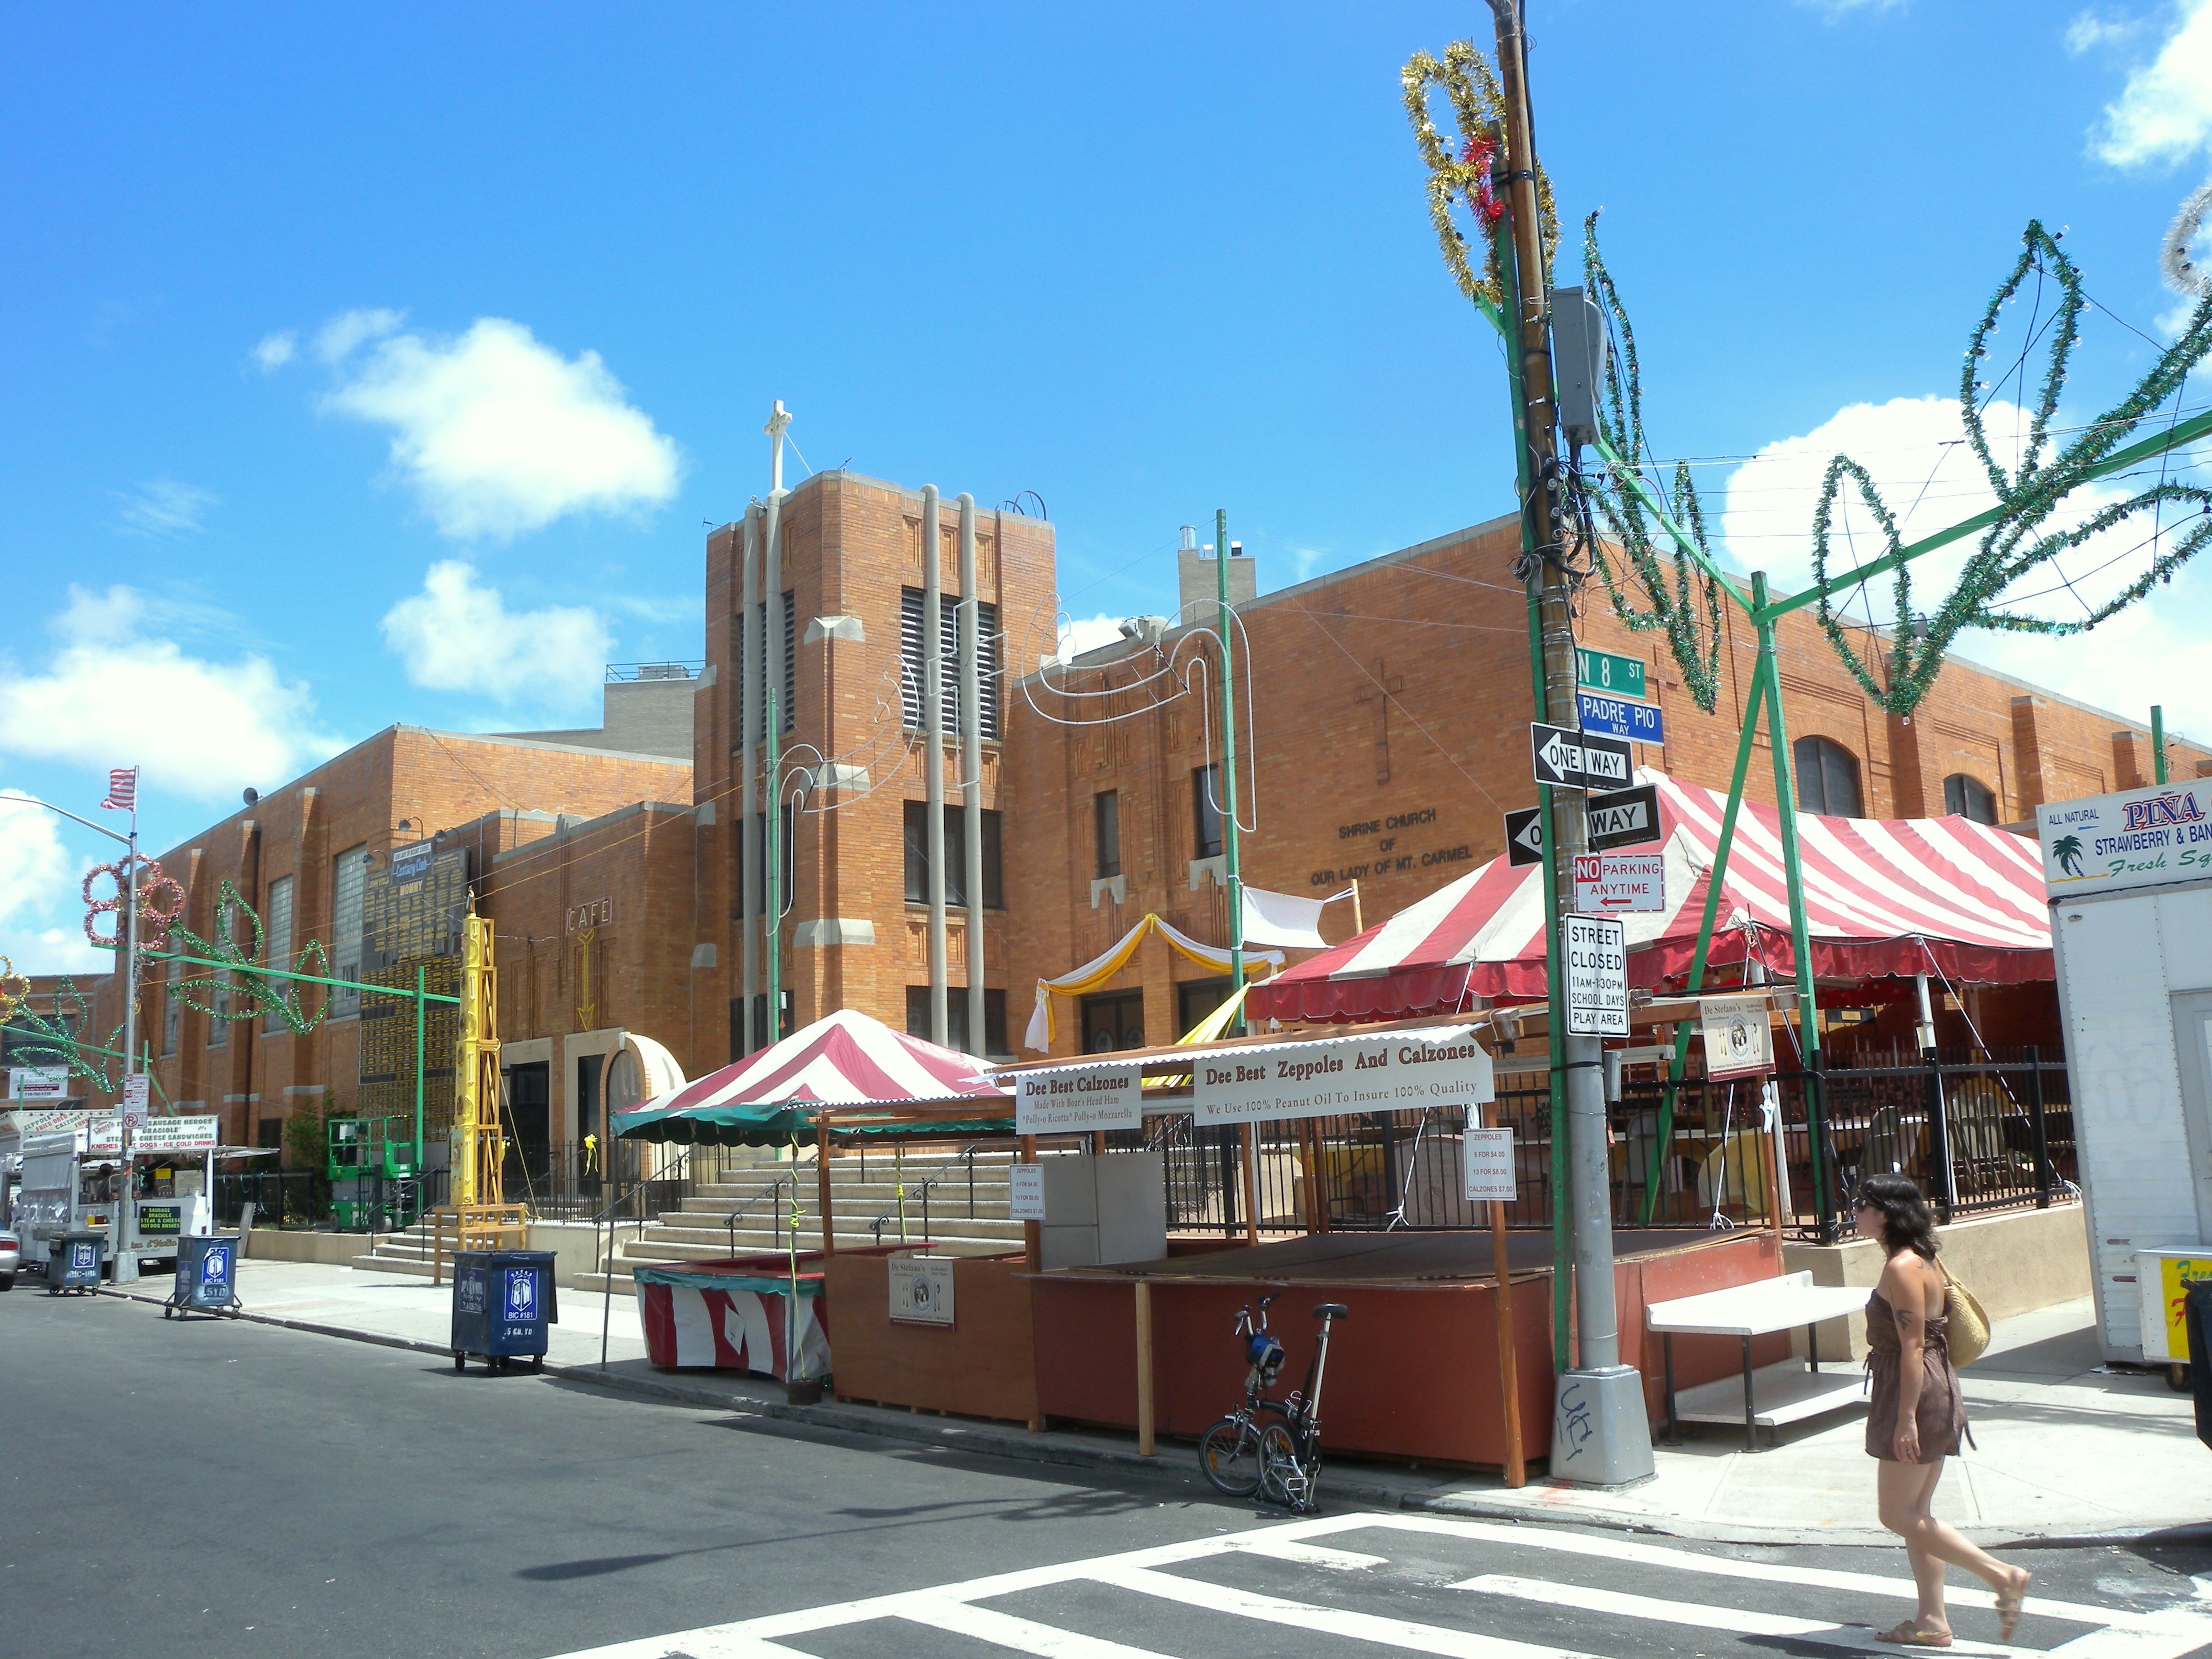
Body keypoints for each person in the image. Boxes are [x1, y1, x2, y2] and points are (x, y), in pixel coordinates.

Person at [1855, 1173, 2031, 1647]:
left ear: (1886, 1214)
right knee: (1917, 1513)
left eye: (1861, 1204)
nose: (1854, 1213)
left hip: (1915, 1392)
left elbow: (1912, 1346)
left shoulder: (1903, 1267)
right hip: (1929, 1386)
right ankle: (1932, 1621)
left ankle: (2001, 1575)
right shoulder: (1920, 1259)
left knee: (1896, 1514)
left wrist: (1905, 1419)